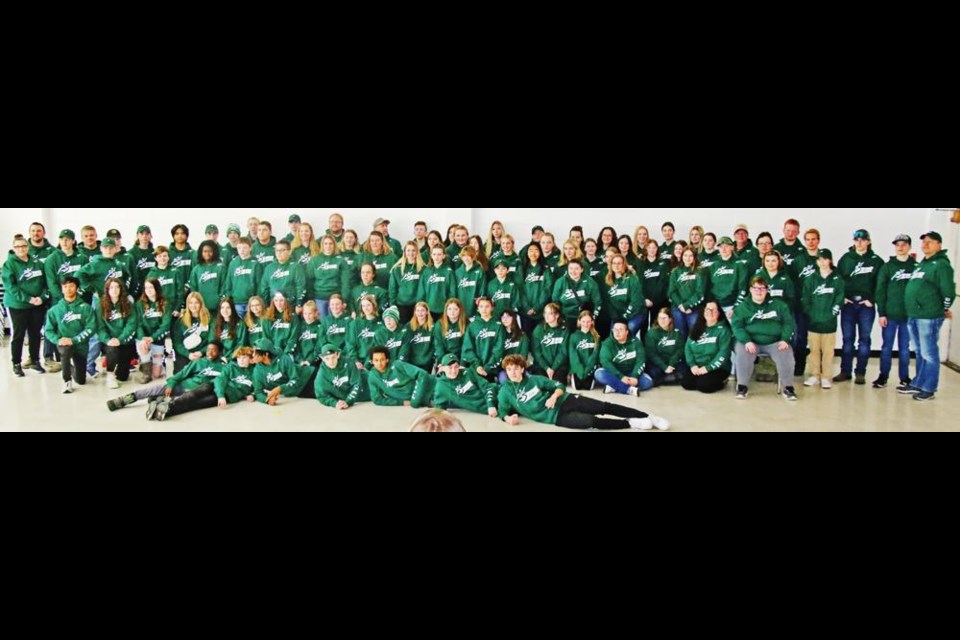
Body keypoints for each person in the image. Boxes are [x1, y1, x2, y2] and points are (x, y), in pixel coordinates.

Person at [497, 355, 668, 431]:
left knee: (603, 406)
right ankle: (630, 423)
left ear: (522, 369)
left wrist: (553, 396)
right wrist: (507, 418)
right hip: (555, 418)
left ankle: (648, 416)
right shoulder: (506, 391)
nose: (512, 372)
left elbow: (559, 386)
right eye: (509, 369)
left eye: (516, 368)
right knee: (592, 421)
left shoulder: (534, 379)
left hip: (565, 400)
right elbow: (503, 411)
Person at [903, 231, 955, 401]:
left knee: (929, 353)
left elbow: (948, 292)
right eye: (924, 242)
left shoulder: (941, 265)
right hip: (914, 314)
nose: (925, 244)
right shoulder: (923, 264)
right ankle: (919, 382)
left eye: (930, 242)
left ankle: (929, 388)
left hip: (928, 316)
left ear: (939, 245)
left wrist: (942, 309)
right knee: (920, 352)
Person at [107, 341, 225, 416]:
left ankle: (159, 402)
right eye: (208, 349)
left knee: (185, 403)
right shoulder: (198, 362)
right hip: (184, 386)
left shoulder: (223, 367)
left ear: (219, 353)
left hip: (197, 394)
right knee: (156, 389)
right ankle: (126, 399)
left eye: (213, 350)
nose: (210, 352)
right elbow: (181, 374)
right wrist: (170, 384)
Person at [731, 276, 798, 401]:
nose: (759, 291)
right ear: (750, 290)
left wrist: (785, 339)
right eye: (756, 288)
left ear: (767, 290)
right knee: (742, 352)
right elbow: (737, 326)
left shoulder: (779, 305)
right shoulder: (742, 307)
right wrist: (746, 341)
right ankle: (742, 386)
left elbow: (788, 323)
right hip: (751, 342)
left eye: (762, 288)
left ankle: (788, 387)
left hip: (775, 342)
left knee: (786, 353)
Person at [835, 229, 884, 385]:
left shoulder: (876, 261)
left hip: (866, 306)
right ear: (853, 241)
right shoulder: (846, 259)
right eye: (857, 239)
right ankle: (845, 371)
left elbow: (881, 284)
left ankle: (860, 372)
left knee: (864, 340)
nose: (860, 242)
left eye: (863, 239)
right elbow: (837, 280)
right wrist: (842, 297)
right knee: (847, 340)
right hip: (849, 305)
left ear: (868, 241)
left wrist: (873, 299)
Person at [873, 234, 917, 389]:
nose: (900, 247)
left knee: (905, 348)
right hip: (890, 315)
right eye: (898, 244)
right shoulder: (887, 267)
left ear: (909, 246)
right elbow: (880, 291)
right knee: (886, 347)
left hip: (909, 316)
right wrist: (882, 313)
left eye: (904, 244)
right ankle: (883, 376)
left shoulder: (916, 267)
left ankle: (904, 378)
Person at [3, 234, 50, 376]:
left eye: (24, 246)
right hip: (18, 306)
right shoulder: (9, 264)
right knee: (18, 335)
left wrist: (42, 298)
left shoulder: (37, 263)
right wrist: (28, 299)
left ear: (28, 247)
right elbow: (11, 287)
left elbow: (45, 283)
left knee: (35, 334)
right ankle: (16, 364)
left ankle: (35, 361)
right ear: (14, 248)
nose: (21, 249)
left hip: (37, 305)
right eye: (18, 246)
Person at [801, 249, 844, 390]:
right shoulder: (811, 279)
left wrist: (833, 312)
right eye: (820, 259)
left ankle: (826, 376)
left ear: (830, 260)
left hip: (829, 323)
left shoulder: (837, 279)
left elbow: (839, 298)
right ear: (817, 261)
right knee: (814, 350)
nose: (823, 262)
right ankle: (815, 375)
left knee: (828, 351)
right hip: (814, 322)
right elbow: (805, 298)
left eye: (825, 259)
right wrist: (810, 313)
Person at [791, 228, 825, 377]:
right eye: (808, 239)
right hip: (802, 306)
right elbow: (793, 283)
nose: (811, 242)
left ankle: (819, 368)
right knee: (801, 337)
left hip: (820, 306)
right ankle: (799, 367)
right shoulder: (798, 260)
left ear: (818, 240)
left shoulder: (824, 258)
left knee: (820, 338)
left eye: (814, 239)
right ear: (804, 241)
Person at [682, 301, 733, 395]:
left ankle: (723, 381)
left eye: (713, 310)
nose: (710, 312)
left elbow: (723, 354)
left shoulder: (724, 331)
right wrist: (692, 365)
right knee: (687, 384)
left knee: (704, 386)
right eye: (707, 309)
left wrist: (708, 368)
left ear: (719, 313)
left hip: (718, 368)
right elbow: (688, 348)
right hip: (698, 366)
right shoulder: (697, 327)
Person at [97, 278, 138, 390]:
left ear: (121, 289)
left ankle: (118, 367)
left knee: (123, 376)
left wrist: (120, 339)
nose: (114, 290)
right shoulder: (100, 305)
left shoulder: (128, 304)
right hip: (109, 341)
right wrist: (108, 340)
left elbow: (131, 324)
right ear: (107, 290)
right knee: (112, 349)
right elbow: (100, 327)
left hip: (124, 341)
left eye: (117, 287)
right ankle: (110, 375)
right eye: (111, 287)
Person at [596, 320, 654, 396]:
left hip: (631, 373)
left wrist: (635, 376)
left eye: (620, 330)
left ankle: (614, 387)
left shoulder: (636, 342)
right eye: (615, 329)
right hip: (615, 374)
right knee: (599, 374)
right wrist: (621, 377)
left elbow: (640, 360)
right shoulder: (607, 343)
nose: (617, 332)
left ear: (627, 332)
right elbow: (605, 362)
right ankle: (628, 389)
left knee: (648, 382)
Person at [367, 345, 435, 408]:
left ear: (387, 360)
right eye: (376, 360)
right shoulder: (372, 376)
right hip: (426, 402)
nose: (379, 363)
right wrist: (401, 402)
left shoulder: (397, 365)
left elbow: (422, 374)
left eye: (382, 360)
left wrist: (415, 400)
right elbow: (377, 399)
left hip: (433, 388)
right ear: (372, 361)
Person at [433, 354, 499, 418]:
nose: (453, 371)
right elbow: (439, 408)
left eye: (456, 367)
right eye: (450, 367)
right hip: (489, 410)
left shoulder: (468, 372)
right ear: (442, 368)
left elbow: (487, 386)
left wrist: (491, 405)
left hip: (497, 396)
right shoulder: (441, 386)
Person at [252, 338, 312, 405]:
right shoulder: (257, 370)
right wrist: (267, 400)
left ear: (266, 354)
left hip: (309, 377)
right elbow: (258, 391)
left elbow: (295, 380)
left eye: (255, 353)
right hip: (299, 392)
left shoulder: (284, 358)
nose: (253, 355)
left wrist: (280, 389)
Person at [135, 278, 172, 384]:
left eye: (151, 287)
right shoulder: (139, 304)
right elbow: (138, 324)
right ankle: (145, 369)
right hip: (144, 338)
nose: (148, 290)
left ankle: (156, 364)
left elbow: (165, 325)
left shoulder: (165, 303)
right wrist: (143, 338)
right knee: (143, 346)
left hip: (157, 338)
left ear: (157, 288)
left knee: (156, 375)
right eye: (146, 288)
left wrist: (153, 338)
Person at [315, 344, 371, 409]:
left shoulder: (349, 362)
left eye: (333, 357)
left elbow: (357, 384)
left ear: (338, 355)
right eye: (327, 358)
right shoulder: (322, 373)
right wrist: (335, 403)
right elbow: (321, 395)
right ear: (322, 358)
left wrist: (348, 401)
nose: (331, 362)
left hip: (367, 384)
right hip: (350, 396)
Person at [463, 297, 505, 384]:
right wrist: (477, 365)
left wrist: (488, 367)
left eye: (487, 306)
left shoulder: (498, 326)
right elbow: (468, 348)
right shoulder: (472, 326)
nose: (484, 309)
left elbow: (499, 348)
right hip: (476, 368)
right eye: (481, 306)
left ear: (492, 308)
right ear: (478, 309)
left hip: (492, 369)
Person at [552, 260, 602, 332]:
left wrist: (593, 318)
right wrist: (560, 318)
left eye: (576, 268)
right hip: (566, 317)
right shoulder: (560, 282)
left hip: (584, 319)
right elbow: (555, 302)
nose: (573, 271)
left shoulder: (590, 282)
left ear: (582, 269)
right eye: (571, 268)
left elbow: (598, 302)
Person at [603, 254, 644, 335]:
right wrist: (616, 318)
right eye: (614, 263)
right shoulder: (608, 281)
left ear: (624, 265)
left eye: (619, 263)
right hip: (618, 316)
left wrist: (626, 315)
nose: (616, 266)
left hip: (635, 314)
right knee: (614, 335)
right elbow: (608, 303)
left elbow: (635, 301)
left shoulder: (632, 279)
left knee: (627, 332)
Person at [668, 247, 706, 338]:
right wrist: (681, 305)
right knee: (680, 334)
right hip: (678, 307)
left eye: (690, 255)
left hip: (693, 308)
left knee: (694, 333)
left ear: (694, 257)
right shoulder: (675, 271)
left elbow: (700, 292)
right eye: (685, 255)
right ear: (682, 256)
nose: (687, 258)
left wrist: (687, 305)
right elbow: (671, 292)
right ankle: (682, 352)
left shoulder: (700, 271)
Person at [706, 237, 747, 319]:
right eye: (721, 247)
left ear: (732, 247)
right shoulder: (713, 266)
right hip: (716, 308)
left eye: (726, 246)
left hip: (732, 307)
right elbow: (708, 288)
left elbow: (743, 288)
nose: (723, 249)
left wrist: (735, 308)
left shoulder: (740, 265)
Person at [261, 240, 306, 314]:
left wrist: (299, 304)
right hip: (274, 306)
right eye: (277, 250)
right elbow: (264, 288)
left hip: (292, 305)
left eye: (282, 250)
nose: (279, 253)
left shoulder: (296, 267)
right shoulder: (269, 268)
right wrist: (267, 305)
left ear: (289, 252)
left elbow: (301, 286)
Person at [645, 308, 687, 386]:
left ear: (670, 319)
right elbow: (651, 353)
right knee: (654, 372)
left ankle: (663, 379)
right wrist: (664, 367)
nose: (662, 321)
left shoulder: (676, 332)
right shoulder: (651, 333)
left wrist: (671, 363)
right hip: (659, 363)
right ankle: (671, 377)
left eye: (664, 318)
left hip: (673, 362)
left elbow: (680, 350)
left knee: (685, 370)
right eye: (660, 318)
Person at [519, 243, 554, 336]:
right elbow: (519, 290)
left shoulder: (545, 269)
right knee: (527, 337)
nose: (533, 253)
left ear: (540, 252)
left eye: (536, 250)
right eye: (530, 250)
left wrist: (537, 308)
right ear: (526, 252)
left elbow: (548, 289)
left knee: (540, 337)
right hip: (525, 312)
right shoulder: (522, 268)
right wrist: (527, 308)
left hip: (540, 312)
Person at [531, 302, 570, 385]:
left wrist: (553, 368)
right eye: (545, 313)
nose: (546, 316)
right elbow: (536, 352)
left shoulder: (564, 330)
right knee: (542, 384)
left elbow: (563, 352)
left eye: (550, 313)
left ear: (557, 315)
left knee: (557, 384)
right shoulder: (538, 330)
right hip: (542, 366)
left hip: (559, 366)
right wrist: (546, 368)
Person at [173, 292, 211, 374]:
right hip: (186, 353)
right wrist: (188, 354)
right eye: (190, 303)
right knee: (180, 375)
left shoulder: (208, 319)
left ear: (201, 304)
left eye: (196, 303)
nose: (193, 306)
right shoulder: (181, 321)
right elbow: (177, 343)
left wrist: (201, 352)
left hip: (202, 353)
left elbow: (212, 340)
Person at [305, 235, 342, 320]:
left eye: (330, 244)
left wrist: (344, 298)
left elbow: (345, 281)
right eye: (326, 244)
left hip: (335, 298)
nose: (328, 246)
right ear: (322, 245)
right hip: (319, 298)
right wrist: (311, 297)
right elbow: (309, 281)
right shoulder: (314, 260)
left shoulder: (340, 260)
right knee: (322, 323)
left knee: (334, 323)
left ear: (334, 245)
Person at [223, 237, 261, 318]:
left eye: (245, 247)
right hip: (236, 302)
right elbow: (228, 283)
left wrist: (256, 301)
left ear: (250, 248)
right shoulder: (233, 263)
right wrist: (229, 298)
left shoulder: (255, 264)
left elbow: (259, 284)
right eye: (239, 248)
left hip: (251, 304)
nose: (242, 250)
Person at [388, 242, 425, 324]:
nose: (411, 253)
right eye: (408, 250)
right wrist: (393, 305)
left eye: (413, 250)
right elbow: (392, 289)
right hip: (402, 305)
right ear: (404, 252)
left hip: (418, 306)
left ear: (417, 252)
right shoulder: (397, 269)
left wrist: (422, 304)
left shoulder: (423, 269)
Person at [418, 245, 456, 322]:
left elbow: (452, 292)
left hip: (444, 309)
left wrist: (449, 307)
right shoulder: (426, 271)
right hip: (429, 309)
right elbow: (421, 291)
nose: (436, 257)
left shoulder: (449, 271)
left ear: (443, 256)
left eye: (439, 254)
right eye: (434, 254)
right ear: (431, 255)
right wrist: (421, 306)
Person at [146, 246, 185, 317]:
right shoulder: (151, 274)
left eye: (165, 256)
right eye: (159, 256)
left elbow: (180, 292)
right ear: (155, 258)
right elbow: (149, 293)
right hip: (158, 310)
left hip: (173, 309)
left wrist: (177, 308)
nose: (162, 258)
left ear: (168, 257)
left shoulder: (176, 272)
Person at [187, 240, 225, 312]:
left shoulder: (221, 267)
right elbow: (194, 289)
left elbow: (224, 286)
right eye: (205, 251)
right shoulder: (196, 269)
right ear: (201, 252)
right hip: (201, 308)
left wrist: (219, 300)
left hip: (218, 308)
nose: (207, 253)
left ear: (215, 252)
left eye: (210, 251)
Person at [346, 295, 382, 370]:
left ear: (374, 305)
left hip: (375, 362)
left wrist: (368, 364)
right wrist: (356, 361)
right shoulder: (355, 323)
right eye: (363, 306)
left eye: (368, 305)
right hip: (358, 362)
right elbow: (350, 344)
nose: (366, 308)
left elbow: (380, 346)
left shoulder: (381, 324)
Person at [568, 311, 600, 391]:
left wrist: (587, 370)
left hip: (590, 368)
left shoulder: (596, 337)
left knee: (588, 387)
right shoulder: (573, 336)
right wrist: (580, 370)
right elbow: (573, 355)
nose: (586, 324)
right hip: (578, 368)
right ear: (579, 321)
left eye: (588, 321)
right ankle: (573, 374)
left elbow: (595, 355)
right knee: (577, 387)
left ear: (592, 322)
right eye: (583, 321)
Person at [399, 302, 435, 373]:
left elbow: (434, 345)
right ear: (415, 312)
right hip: (413, 362)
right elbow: (405, 345)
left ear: (427, 312)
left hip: (427, 362)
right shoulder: (409, 326)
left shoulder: (432, 327)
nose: (420, 313)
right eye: (418, 310)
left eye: (422, 310)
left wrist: (431, 358)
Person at [455, 246, 486, 319]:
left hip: (474, 309)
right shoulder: (457, 272)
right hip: (460, 308)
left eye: (469, 255)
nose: (466, 258)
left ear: (474, 256)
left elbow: (482, 290)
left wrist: (480, 303)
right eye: (464, 255)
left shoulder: (479, 271)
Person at [434, 299, 468, 364]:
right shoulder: (439, 324)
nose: (452, 312)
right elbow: (438, 346)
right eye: (449, 309)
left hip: (461, 358)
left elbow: (466, 346)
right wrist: (444, 362)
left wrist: (462, 363)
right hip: (445, 359)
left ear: (460, 310)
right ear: (446, 310)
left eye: (455, 309)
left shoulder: (466, 324)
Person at [127, 225, 157, 300]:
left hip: (152, 289)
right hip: (137, 291)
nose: (144, 236)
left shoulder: (155, 253)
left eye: (147, 234)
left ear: (151, 236)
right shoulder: (131, 253)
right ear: (137, 235)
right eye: (141, 234)